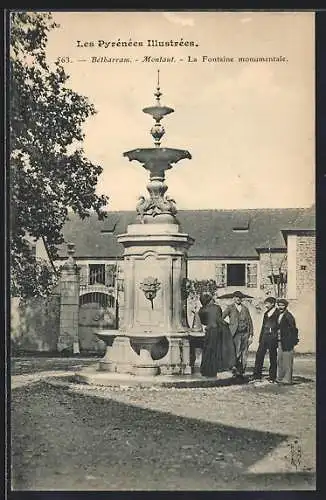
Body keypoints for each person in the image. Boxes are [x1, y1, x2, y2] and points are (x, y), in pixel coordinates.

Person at [198, 292, 236, 377]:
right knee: (219, 350)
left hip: (209, 331)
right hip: (218, 330)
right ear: (210, 300)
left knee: (208, 350)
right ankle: (218, 368)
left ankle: (206, 370)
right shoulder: (217, 307)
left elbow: (203, 322)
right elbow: (219, 318)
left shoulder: (201, 310)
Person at [222, 291, 254, 378]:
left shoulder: (245, 308)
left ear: (242, 299)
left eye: (240, 297)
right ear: (233, 298)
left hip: (245, 333)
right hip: (235, 334)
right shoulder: (230, 308)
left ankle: (242, 371)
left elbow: (249, 321)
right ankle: (235, 370)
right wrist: (229, 326)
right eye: (236, 297)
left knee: (244, 353)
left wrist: (251, 335)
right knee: (236, 352)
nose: (238, 299)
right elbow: (221, 317)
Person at [249, 296, 279, 383]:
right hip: (264, 337)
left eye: (267, 303)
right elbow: (263, 326)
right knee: (259, 355)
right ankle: (256, 375)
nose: (266, 305)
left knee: (272, 356)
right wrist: (260, 338)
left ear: (272, 303)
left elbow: (279, 326)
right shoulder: (266, 313)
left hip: (273, 337)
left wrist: (277, 337)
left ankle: (272, 377)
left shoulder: (278, 313)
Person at [276, 298, 299, 384]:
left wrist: (292, 341)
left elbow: (293, 329)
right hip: (280, 340)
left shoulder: (289, 316)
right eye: (279, 305)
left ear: (286, 306)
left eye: (282, 305)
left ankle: (287, 379)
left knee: (287, 360)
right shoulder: (278, 314)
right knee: (280, 360)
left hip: (287, 341)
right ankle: (280, 378)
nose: (280, 307)